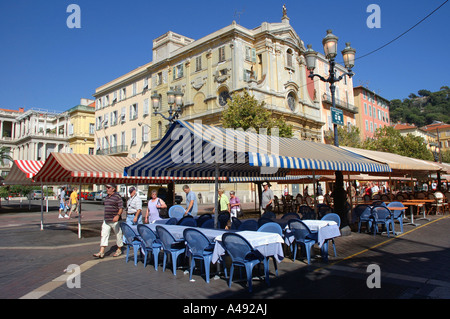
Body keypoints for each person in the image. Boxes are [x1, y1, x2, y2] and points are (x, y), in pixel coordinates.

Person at [93, 183, 124, 259]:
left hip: (115, 221)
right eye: (106, 187)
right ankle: (101, 251)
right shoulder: (107, 197)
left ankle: (119, 249)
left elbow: (121, 208)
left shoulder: (117, 197)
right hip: (106, 220)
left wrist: (117, 215)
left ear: (113, 189)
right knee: (104, 234)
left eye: (108, 188)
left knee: (118, 235)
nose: (107, 189)